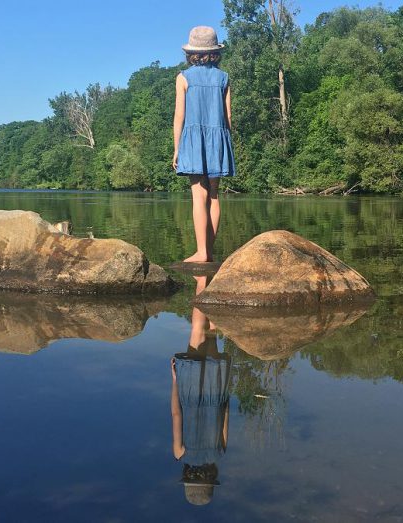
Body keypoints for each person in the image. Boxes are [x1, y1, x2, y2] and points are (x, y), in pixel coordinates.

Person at [172, 26, 236, 263]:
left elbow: (179, 116)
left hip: (193, 141)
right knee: (214, 195)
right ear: (214, 51)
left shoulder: (183, 78)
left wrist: (177, 148)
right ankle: (209, 251)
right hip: (218, 139)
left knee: (198, 197)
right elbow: (228, 118)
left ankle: (201, 253)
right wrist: (225, 144)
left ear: (191, 52)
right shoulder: (224, 78)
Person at [170, 275, 231, 505]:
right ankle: (201, 281)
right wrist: (176, 380)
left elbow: (225, 413)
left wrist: (226, 385)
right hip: (190, 389)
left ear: (212, 479)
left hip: (216, 390)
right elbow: (177, 414)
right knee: (197, 330)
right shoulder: (180, 453)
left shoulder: (220, 452)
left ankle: (214, 284)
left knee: (213, 336)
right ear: (187, 478)